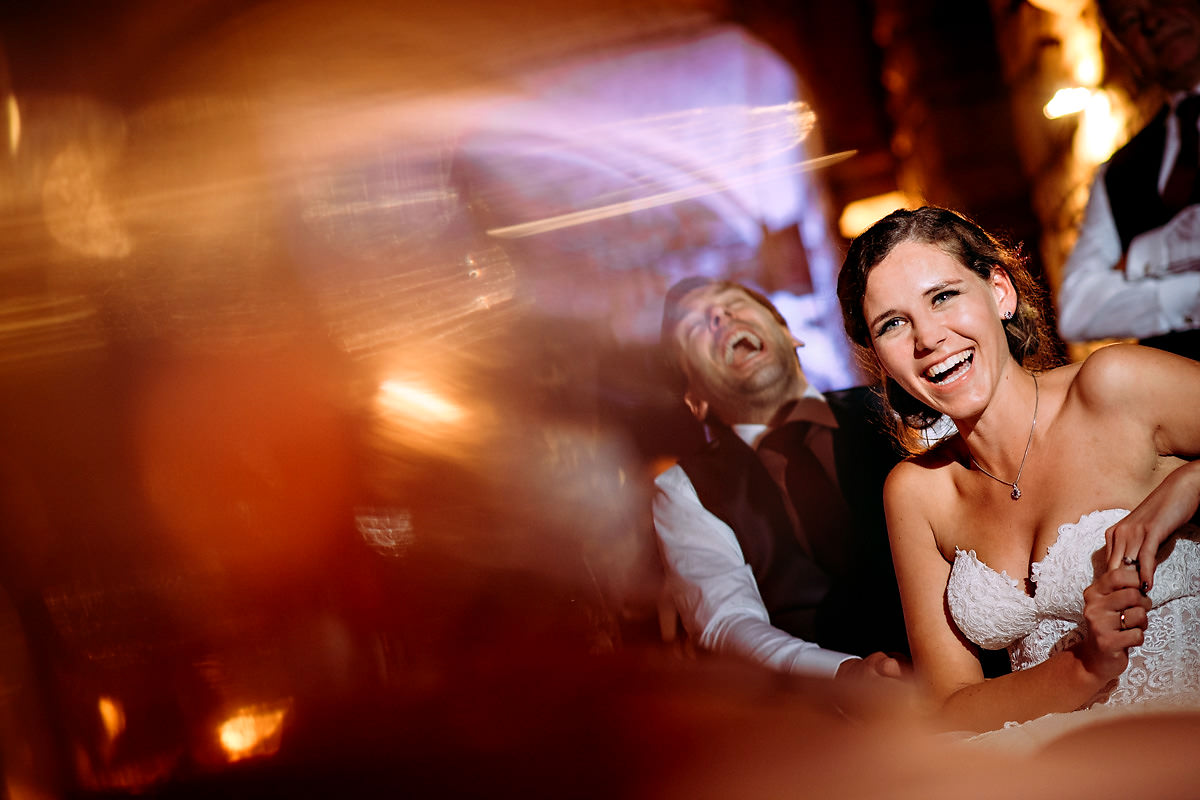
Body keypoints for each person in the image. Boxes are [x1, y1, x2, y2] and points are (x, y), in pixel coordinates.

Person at [837, 205, 1200, 737]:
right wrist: (1082, 665)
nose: (928, 338)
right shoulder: (917, 493)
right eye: (893, 324)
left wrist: (1189, 485)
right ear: (878, 357)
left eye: (943, 296)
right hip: (1046, 762)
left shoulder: (1115, 386)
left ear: (1000, 291)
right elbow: (951, 707)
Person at [652, 276, 909, 683]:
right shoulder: (683, 490)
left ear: (790, 334)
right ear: (694, 399)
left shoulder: (896, 408)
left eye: (731, 302)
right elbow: (725, 622)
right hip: (824, 728)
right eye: (694, 326)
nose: (719, 315)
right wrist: (844, 675)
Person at [1057, 0, 1200, 360]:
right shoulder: (1117, 172)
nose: (1152, 21)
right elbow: (1078, 309)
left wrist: (1140, 257)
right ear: (1122, 49)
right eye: (1131, 20)